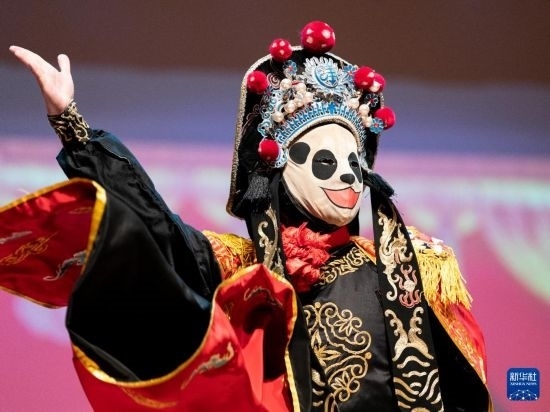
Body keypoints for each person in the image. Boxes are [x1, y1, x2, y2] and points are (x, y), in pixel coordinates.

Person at [1, 21, 491, 411]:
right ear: (283, 167)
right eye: (326, 161)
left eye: (354, 162)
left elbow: (463, 391)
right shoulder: (243, 268)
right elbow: (153, 223)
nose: (347, 176)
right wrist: (72, 125)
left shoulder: (414, 266)